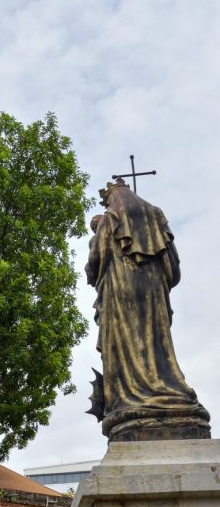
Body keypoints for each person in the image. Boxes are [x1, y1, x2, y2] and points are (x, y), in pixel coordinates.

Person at [86, 179, 210, 441]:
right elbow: (173, 270)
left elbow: (96, 261)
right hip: (154, 294)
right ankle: (170, 390)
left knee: (127, 345)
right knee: (157, 344)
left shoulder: (109, 220)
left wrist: (91, 269)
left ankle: (132, 398)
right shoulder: (156, 218)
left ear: (111, 200)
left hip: (120, 295)